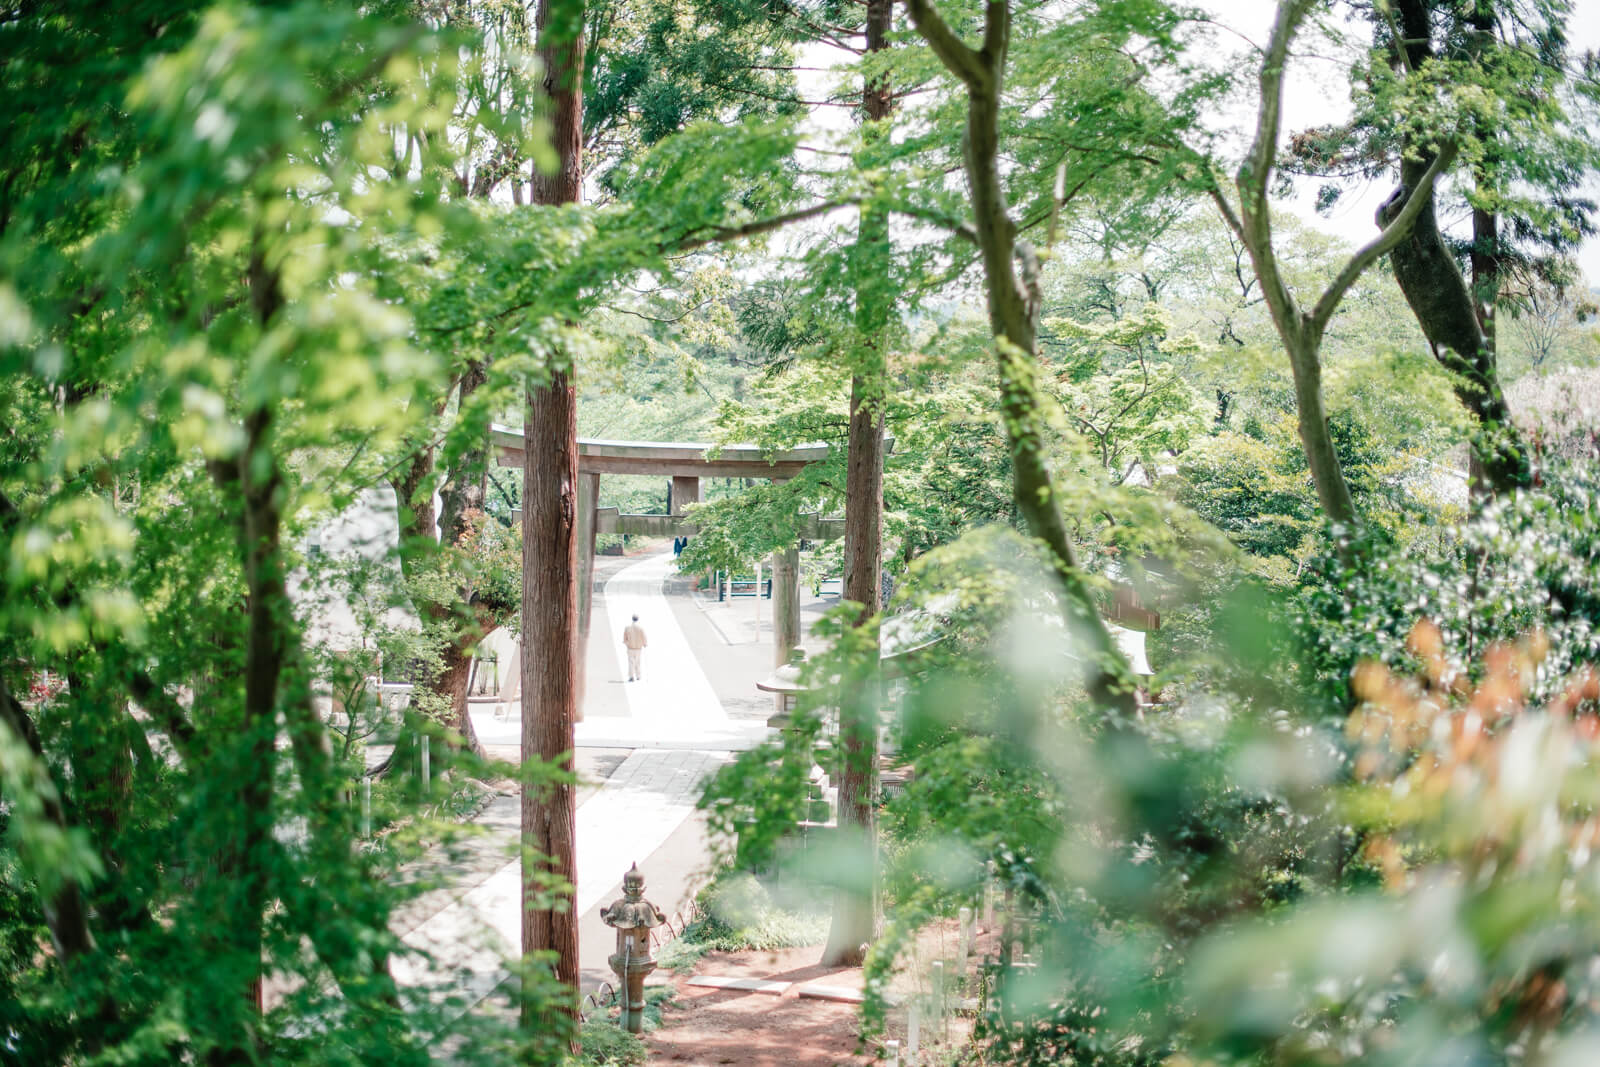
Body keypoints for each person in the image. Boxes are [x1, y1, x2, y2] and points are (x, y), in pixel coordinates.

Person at [623, 614, 648, 681]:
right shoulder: (640, 628)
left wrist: (627, 643)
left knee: (631, 662)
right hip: (638, 648)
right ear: (638, 619)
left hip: (630, 648)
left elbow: (624, 639)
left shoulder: (627, 628)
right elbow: (644, 637)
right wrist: (645, 644)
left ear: (632, 619)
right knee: (638, 662)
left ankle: (631, 676)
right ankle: (638, 676)